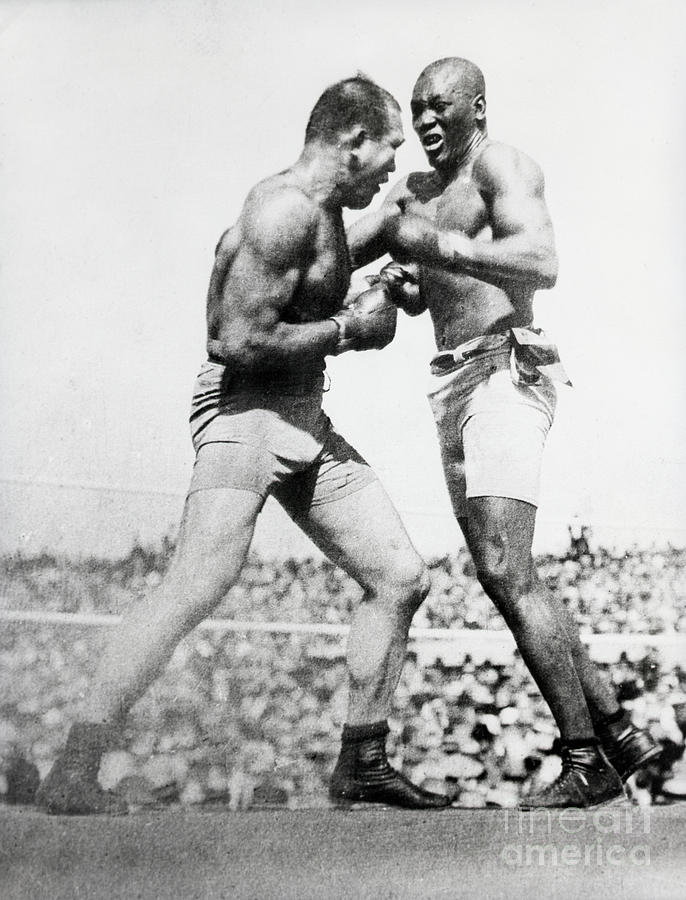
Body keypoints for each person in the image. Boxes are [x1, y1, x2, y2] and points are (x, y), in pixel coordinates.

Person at [36, 76, 451, 815]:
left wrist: (388, 244)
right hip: (245, 414)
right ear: (351, 141)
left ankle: (362, 762)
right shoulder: (281, 210)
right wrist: (351, 331)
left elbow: (319, 276)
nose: (392, 168)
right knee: (195, 584)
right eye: (387, 155)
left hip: (300, 414)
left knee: (399, 575)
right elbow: (237, 338)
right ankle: (75, 765)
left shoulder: (318, 211)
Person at [347, 57, 660, 808]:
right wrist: (403, 281)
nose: (425, 120)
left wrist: (440, 248)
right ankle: (617, 732)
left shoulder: (502, 165)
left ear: (477, 108)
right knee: (507, 567)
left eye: (440, 106)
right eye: (416, 108)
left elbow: (542, 261)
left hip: (505, 371)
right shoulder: (416, 189)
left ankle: (586, 762)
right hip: (452, 383)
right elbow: (426, 287)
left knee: (501, 565)